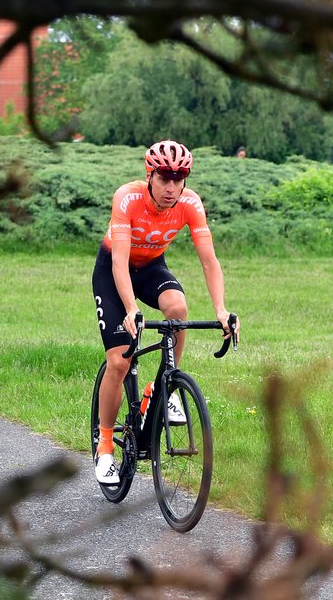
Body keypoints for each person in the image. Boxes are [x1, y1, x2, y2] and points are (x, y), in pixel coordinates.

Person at [91, 139, 235, 484]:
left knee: (178, 308)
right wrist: (130, 309)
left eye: (179, 178)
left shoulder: (190, 203)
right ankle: (106, 445)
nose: (172, 187)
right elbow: (120, 262)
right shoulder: (127, 197)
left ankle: (164, 387)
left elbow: (209, 261)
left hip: (153, 267)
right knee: (119, 361)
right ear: (150, 176)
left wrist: (221, 310)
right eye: (165, 178)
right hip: (115, 271)